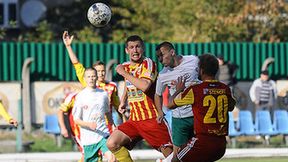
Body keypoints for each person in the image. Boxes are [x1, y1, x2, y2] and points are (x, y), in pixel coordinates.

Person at [106, 35, 173, 162]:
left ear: (143, 48)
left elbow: (145, 86)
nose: (135, 50)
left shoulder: (149, 64)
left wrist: (123, 73)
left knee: (171, 156)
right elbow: (128, 82)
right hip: (134, 120)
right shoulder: (125, 66)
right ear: (127, 50)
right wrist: (123, 100)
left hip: (152, 119)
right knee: (112, 143)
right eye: (131, 47)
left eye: (138, 46)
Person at [166, 54, 236, 162]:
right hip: (221, 145)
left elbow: (170, 105)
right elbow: (231, 107)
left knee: (175, 159)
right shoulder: (225, 89)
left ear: (201, 70)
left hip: (203, 142)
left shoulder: (196, 90)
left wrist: (178, 90)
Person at [62, 31, 126, 133]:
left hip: (107, 126)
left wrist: (124, 121)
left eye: (103, 71)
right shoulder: (89, 81)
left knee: (111, 148)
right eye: (98, 71)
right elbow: (76, 64)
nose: (101, 73)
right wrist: (68, 46)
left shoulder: (112, 86)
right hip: (92, 126)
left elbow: (117, 106)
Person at [154, 41, 199, 154]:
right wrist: (160, 112)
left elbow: (206, 74)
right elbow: (157, 94)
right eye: (158, 56)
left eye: (162, 55)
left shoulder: (193, 60)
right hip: (179, 119)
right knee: (178, 154)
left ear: (172, 52)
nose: (160, 59)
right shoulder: (163, 74)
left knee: (200, 152)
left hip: (197, 115)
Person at [72, 68, 116, 162]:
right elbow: (76, 120)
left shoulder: (103, 94)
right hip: (89, 138)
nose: (91, 78)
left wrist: (112, 125)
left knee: (112, 158)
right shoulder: (80, 96)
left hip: (103, 134)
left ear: (96, 77)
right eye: (89, 76)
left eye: (93, 76)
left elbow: (107, 112)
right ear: (84, 79)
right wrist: (89, 124)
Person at [57, 91, 83, 162]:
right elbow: (60, 112)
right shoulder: (74, 97)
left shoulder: (100, 93)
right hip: (77, 130)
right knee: (86, 153)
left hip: (92, 129)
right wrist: (63, 128)